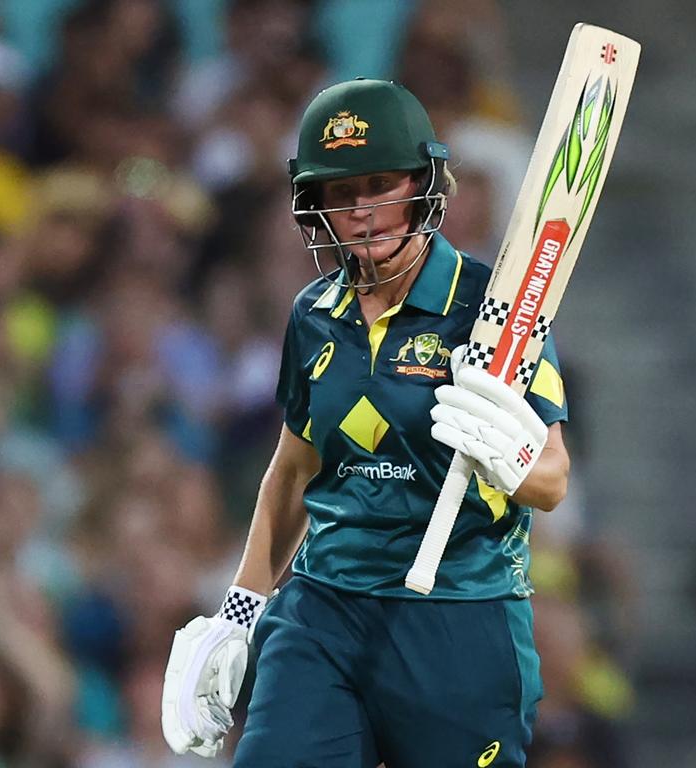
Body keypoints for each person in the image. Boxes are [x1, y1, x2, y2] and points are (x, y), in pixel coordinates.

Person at [161, 78, 571, 767]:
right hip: (324, 610)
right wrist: (239, 613)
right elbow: (293, 470)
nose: (362, 211)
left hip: (459, 618)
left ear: (423, 182)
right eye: (341, 192)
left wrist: (513, 454)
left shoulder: (494, 308)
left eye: (381, 184)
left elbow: (552, 480)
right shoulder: (312, 313)